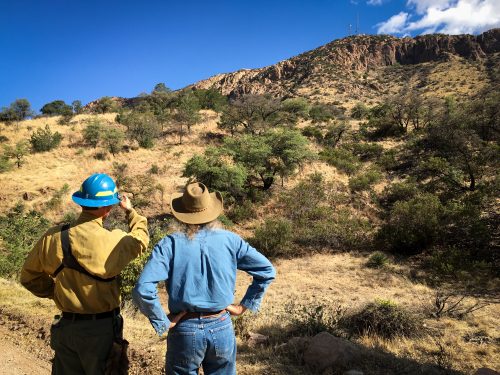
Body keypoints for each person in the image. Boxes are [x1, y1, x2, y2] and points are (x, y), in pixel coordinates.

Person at [133, 182, 276, 375]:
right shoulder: (231, 240)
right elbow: (267, 270)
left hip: (185, 328)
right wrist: (243, 306)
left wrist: (162, 320)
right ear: (211, 211)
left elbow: (143, 287)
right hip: (221, 325)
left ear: (181, 214)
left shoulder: (169, 244)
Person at [20, 173, 150, 375]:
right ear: (107, 209)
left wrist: (55, 292)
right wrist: (131, 213)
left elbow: (28, 277)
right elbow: (140, 239)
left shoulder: (54, 237)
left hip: (67, 328)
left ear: (82, 202)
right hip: (102, 332)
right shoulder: (115, 241)